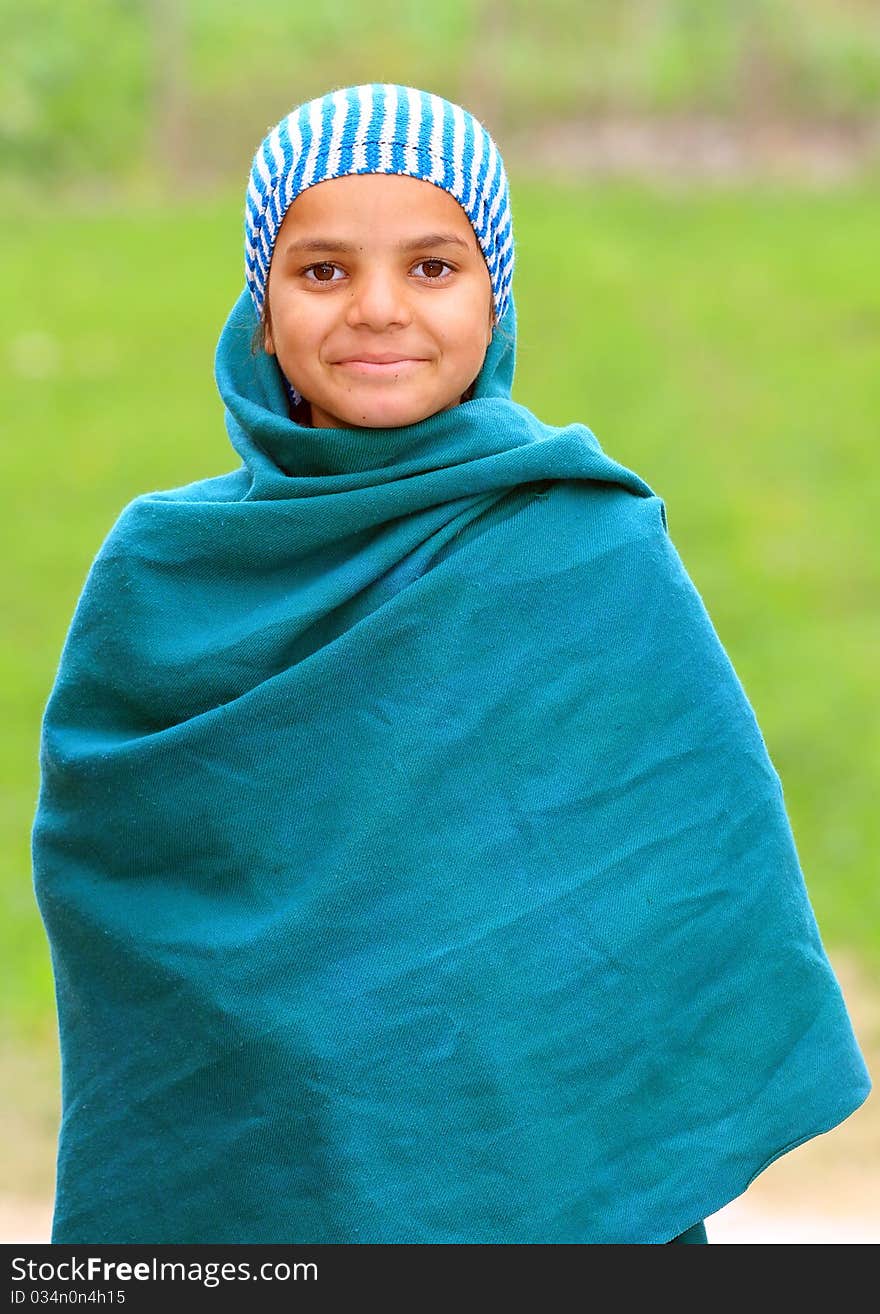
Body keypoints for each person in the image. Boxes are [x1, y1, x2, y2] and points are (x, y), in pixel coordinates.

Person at [32, 82, 870, 1246]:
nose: (377, 310)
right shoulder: (170, 568)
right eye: (322, 271)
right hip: (263, 1156)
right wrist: (299, 1015)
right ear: (262, 311)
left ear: (496, 297)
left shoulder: (581, 543)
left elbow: (676, 861)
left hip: (533, 1144)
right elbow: (120, 873)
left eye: (432, 268)